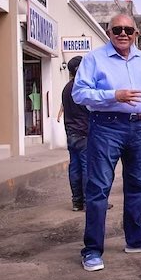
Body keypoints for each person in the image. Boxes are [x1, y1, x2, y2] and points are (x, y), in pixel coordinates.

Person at [72, 13, 141, 272]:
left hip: (137, 127)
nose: (123, 34)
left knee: (138, 185)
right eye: (117, 30)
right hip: (106, 126)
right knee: (99, 188)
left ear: (136, 34)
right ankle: (92, 250)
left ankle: (136, 240)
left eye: (128, 30)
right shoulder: (94, 59)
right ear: (108, 31)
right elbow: (79, 93)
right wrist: (114, 95)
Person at [57, 56, 88, 211]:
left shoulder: (67, 87)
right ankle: (90, 201)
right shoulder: (83, 87)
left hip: (71, 133)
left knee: (75, 167)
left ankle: (77, 202)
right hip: (84, 133)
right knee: (87, 167)